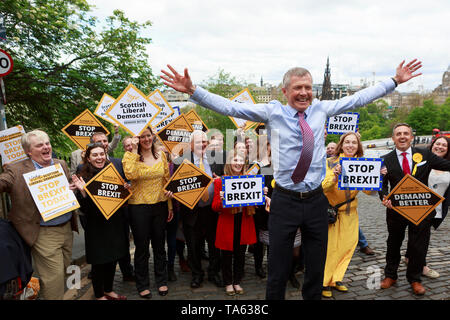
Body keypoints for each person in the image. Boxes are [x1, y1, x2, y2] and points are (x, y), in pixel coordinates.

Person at [160, 59, 422, 300]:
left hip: (316, 201)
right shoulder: (272, 112)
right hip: (285, 201)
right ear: (285, 92)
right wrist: (194, 91)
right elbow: (231, 106)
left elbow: (358, 99)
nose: (304, 92)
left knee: (315, 265)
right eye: (298, 87)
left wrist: (394, 81)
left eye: (308, 87)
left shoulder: (322, 109)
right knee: (278, 266)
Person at [0, 130, 78, 300]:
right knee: (53, 279)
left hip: (66, 229)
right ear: (28, 151)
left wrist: (72, 188)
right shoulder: (15, 169)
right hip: (42, 232)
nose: (46, 147)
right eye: (40, 145)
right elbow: (3, 182)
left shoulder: (60, 164)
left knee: (63, 270)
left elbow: (65, 191)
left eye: (47, 143)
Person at [380, 123, 450, 295]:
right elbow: (381, 185)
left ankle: (415, 279)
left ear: (411, 137)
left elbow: (447, 165)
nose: (402, 136)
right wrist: (384, 197)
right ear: (393, 138)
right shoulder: (385, 159)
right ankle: (390, 275)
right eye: (398, 134)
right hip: (395, 210)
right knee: (393, 243)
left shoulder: (425, 154)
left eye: (406, 133)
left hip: (422, 210)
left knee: (418, 246)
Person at [321, 132, 383, 298]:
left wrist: (376, 179)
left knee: (348, 246)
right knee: (331, 248)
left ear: (358, 146)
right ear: (341, 144)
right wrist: (334, 176)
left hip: (351, 212)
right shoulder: (330, 162)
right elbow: (322, 187)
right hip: (331, 213)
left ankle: (337, 278)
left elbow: (369, 191)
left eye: (353, 143)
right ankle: (324, 281)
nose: (350, 145)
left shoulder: (362, 163)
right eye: (347, 142)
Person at [71, 143, 128, 300]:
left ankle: (108, 290)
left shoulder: (113, 173)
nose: (99, 157)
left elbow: (122, 198)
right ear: (88, 158)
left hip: (114, 223)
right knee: (99, 261)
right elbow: (85, 209)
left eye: (101, 154)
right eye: (95, 155)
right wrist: (83, 192)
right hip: (96, 225)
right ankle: (99, 294)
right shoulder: (83, 176)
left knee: (112, 258)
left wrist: (125, 189)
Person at [122, 126, 173, 298]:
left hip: (160, 205)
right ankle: (142, 284)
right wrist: (135, 151)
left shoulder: (162, 155)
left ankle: (162, 281)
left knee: (160, 246)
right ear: (137, 139)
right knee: (142, 248)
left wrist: (170, 205)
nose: (146, 139)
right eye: (142, 136)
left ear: (153, 136)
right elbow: (130, 173)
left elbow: (166, 179)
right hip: (139, 207)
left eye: (148, 135)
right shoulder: (130, 156)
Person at [169, 130, 224, 289]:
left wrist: (220, 180)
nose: (203, 144)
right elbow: (175, 185)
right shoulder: (181, 161)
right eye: (199, 142)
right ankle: (197, 275)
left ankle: (214, 273)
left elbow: (226, 178)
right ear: (191, 145)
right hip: (192, 212)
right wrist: (172, 192)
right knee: (193, 246)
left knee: (215, 246)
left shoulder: (217, 158)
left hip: (212, 210)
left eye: (205, 141)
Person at [404, 136, 450, 279]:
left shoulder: (448, 166)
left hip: (437, 209)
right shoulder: (422, 162)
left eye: (444, 145)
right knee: (421, 238)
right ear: (432, 145)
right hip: (418, 206)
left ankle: (408, 257)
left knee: (419, 237)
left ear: (448, 149)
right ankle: (421, 266)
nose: (440, 147)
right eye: (438, 144)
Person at [212, 150, 257, 296]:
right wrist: (223, 199)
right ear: (229, 162)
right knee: (226, 255)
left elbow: (256, 203)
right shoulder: (220, 181)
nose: (238, 163)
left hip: (244, 221)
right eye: (235, 160)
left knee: (240, 254)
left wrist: (261, 193)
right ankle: (228, 282)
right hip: (227, 223)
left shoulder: (250, 180)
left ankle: (237, 281)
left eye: (240, 161)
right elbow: (215, 206)